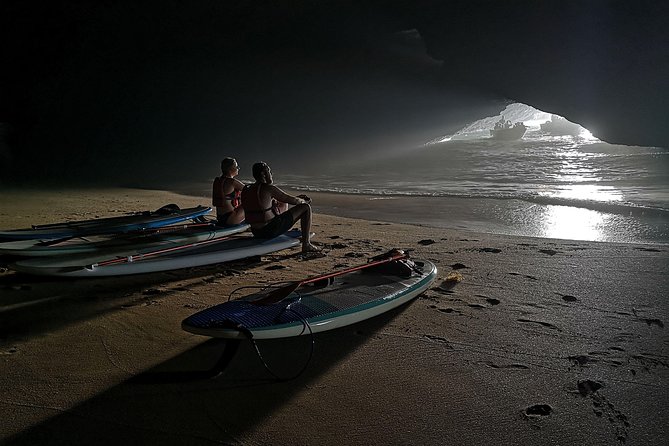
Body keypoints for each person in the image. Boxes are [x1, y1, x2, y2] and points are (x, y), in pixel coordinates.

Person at [241, 161, 319, 253]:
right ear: (263, 174)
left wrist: (296, 198)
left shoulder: (246, 189)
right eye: (269, 171)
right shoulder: (268, 188)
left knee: (278, 205)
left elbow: (281, 200)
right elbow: (294, 201)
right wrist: (303, 201)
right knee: (305, 207)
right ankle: (306, 244)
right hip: (269, 231)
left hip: (256, 232)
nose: (271, 174)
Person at [212, 157, 245, 226]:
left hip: (220, 217)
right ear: (230, 169)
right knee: (250, 202)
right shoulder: (232, 182)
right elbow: (251, 190)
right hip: (230, 218)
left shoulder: (217, 180)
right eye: (236, 166)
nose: (238, 168)